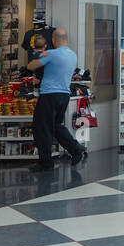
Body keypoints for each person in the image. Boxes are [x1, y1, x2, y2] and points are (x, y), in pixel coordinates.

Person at [26, 28, 85, 170]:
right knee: (55, 126)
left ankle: (45, 162)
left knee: (42, 127)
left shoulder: (50, 54)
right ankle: (75, 149)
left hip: (49, 95)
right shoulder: (73, 55)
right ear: (66, 39)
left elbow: (31, 66)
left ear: (53, 40)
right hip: (64, 95)